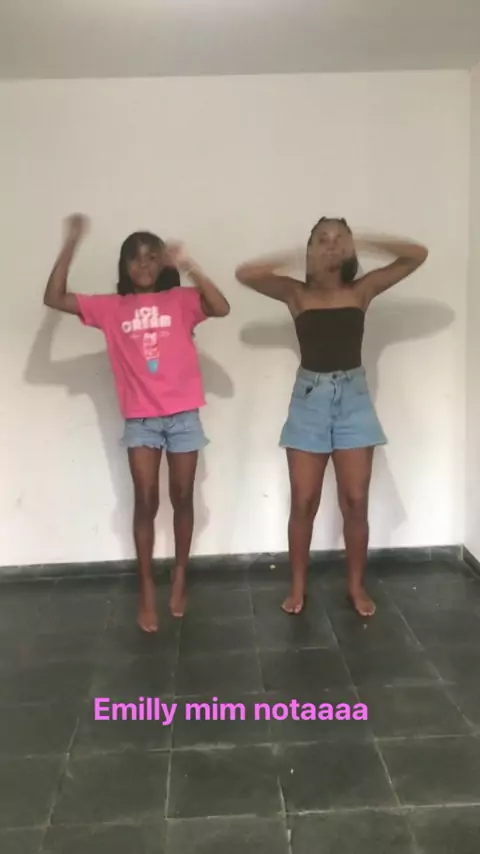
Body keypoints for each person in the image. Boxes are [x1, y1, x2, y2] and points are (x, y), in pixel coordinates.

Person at [43, 214, 230, 632]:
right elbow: (54, 297)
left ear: (162, 262)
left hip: (183, 416)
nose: (143, 264)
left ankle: (179, 575)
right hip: (142, 420)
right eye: (135, 258)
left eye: (151, 256)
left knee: (183, 497)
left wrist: (189, 264)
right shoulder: (111, 308)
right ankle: (146, 588)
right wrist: (71, 242)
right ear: (124, 266)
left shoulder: (181, 300)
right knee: (145, 501)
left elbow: (221, 306)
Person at [236, 218, 428, 617]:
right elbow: (246, 274)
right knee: (304, 501)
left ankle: (355, 587)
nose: (331, 244)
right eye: (322, 239)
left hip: (354, 400)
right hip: (310, 400)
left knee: (355, 501)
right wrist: (299, 257)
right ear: (310, 248)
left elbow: (416, 255)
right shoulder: (296, 293)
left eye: (339, 239)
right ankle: (297, 588)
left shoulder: (361, 290)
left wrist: (366, 242)